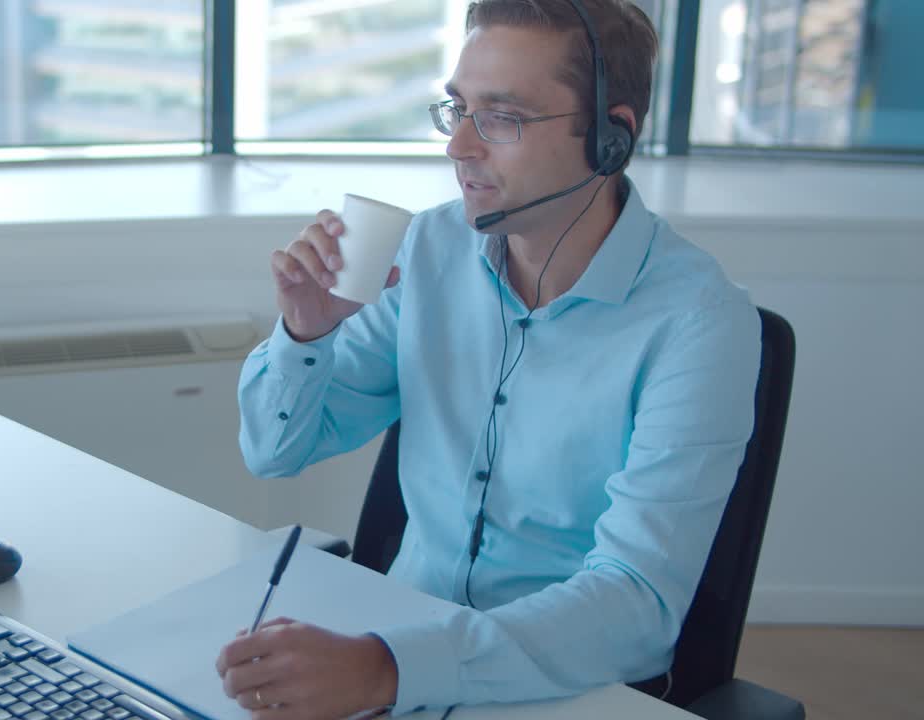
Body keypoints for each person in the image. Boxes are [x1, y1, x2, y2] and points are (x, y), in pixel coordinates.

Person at [216, 0, 762, 718]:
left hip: (569, 686)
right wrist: (306, 335)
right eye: (457, 110)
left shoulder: (700, 325)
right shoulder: (428, 251)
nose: (459, 147)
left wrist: (391, 668)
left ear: (610, 139)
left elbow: (635, 600)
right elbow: (275, 450)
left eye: (501, 117)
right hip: (395, 637)